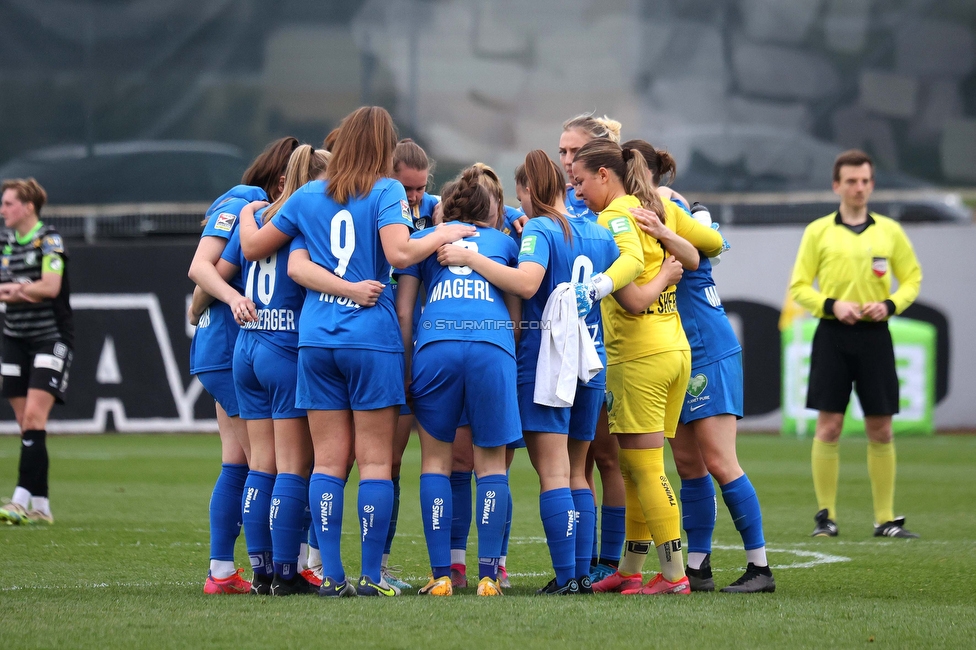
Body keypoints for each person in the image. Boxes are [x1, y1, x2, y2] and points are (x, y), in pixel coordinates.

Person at [236, 106, 474, 597]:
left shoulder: (306, 195)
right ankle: (370, 577)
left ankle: (332, 577)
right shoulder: (386, 191)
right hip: (370, 338)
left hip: (316, 340)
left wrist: (244, 213)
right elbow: (400, 254)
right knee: (373, 463)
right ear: (384, 147)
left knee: (326, 464)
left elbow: (257, 247)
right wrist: (444, 233)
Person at [438, 150, 620, 595]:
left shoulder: (540, 228)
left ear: (527, 191)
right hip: (590, 361)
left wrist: (470, 256)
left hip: (549, 361)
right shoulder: (598, 234)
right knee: (578, 471)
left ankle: (566, 577)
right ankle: (580, 574)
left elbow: (526, 284)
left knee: (554, 473)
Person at [570, 138, 724, 595]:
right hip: (673, 350)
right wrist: (669, 267)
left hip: (640, 355)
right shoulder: (649, 208)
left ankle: (675, 575)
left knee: (646, 468)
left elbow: (634, 296)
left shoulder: (614, 216)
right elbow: (699, 255)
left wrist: (598, 288)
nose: (576, 191)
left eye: (579, 181)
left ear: (604, 175)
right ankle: (632, 569)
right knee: (638, 467)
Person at [622, 139, 774, 593]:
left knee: (720, 460)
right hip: (677, 348)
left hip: (706, 345)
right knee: (688, 464)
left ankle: (759, 567)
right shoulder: (646, 207)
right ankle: (699, 566)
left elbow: (706, 246)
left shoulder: (665, 202)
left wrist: (670, 227)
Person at [396, 166, 521, 597]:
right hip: (492, 345)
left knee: (436, 462)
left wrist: (409, 365)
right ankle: (489, 575)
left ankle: (442, 576)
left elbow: (405, 312)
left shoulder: (423, 243)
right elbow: (517, 312)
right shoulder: (505, 241)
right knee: (490, 466)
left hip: (437, 344)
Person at [789, 149, 922, 539]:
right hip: (832, 335)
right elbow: (799, 286)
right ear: (836, 185)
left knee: (881, 427)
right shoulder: (818, 231)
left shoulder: (890, 231)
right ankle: (825, 517)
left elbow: (912, 278)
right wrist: (832, 305)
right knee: (828, 426)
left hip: (875, 337)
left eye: (865, 180)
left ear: (872, 184)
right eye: (851, 181)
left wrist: (890, 304)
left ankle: (885, 519)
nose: (859, 187)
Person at [187, 136, 299, 594]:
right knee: (267, 466)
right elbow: (201, 267)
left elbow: (205, 284)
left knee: (237, 463)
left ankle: (221, 571)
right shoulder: (245, 199)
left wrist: (201, 305)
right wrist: (229, 298)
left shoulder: (258, 207)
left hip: (231, 351)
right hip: (235, 347)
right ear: (280, 179)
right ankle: (275, 568)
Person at [557, 114, 630, 583]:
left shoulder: (615, 207)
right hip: (566, 351)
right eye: (561, 152)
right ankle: (584, 562)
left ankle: (609, 559)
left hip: (607, 350)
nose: (566, 162)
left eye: (574, 153)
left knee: (606, 457)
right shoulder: (563, 203)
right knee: (574, 461)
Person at [381, 138, 440, 593]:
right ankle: (313, 559)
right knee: (374, 462)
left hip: (425, 351)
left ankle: (378, 562)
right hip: (382, 350)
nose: (416, 197)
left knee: (396, 464)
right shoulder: (379, 207)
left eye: (421, 189)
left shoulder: (434, 208)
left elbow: (481, 207)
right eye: (409, 188)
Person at [0, 178, 71, 526]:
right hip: (14, 337)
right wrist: (22, 289)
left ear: (28, 207)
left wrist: (16, 288)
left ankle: (19, 501)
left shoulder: (50, 240)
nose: (3, 210)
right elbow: (32, 288)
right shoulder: (4, 241)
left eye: (9, 203)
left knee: (33, 419)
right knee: (26, 426)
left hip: (50, 337)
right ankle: (41, 504)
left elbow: (51, 286)